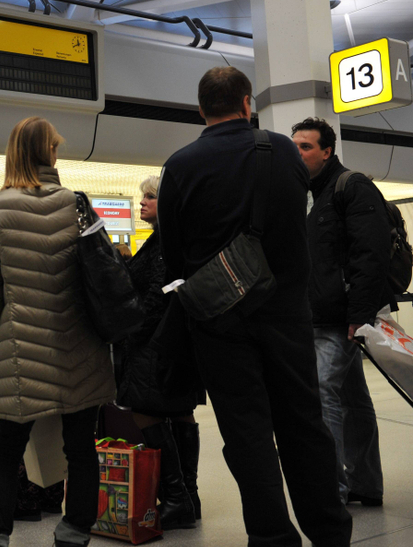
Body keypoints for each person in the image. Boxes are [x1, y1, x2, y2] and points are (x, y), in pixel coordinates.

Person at [157, 66, 352, 546]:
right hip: (286, 312)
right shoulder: (280, 149)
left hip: (218, 321)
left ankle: (271, 537)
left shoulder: (179, 165)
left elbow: (174, 256)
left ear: (201, 109)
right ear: (248, 103)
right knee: (303, 424)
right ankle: (329, 532)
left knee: (246, 434)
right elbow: (295, 226)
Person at [0, 117, 115, 547]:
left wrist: (10, 333)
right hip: (81, 343)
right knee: (81, 444)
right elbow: (99, 277)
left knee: (8, 445)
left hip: (21, 343)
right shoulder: (77, 203)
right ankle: (74, 532)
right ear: (49, 152)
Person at [293, 116, 391, 507]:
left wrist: (360, 314)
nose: (297, 152)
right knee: (353, 399)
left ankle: (331, 493)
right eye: (294, 145)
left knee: (321, 391)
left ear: (326, 151)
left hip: (343, 317)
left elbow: (372, 253)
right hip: (321, 315)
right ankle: (365, 484)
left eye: (305, 146)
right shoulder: (309, 194)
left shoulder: (351, 186)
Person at [115, 176, 205, 529]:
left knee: (144, 409)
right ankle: (188, 496)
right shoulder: (172, 238)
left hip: (155, 340)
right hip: (177, 338)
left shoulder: (165, 242)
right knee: (181, 411)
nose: (142, 203)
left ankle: (175, 495)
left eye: (150, 197)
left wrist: (133, 330)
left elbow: (157, 292)